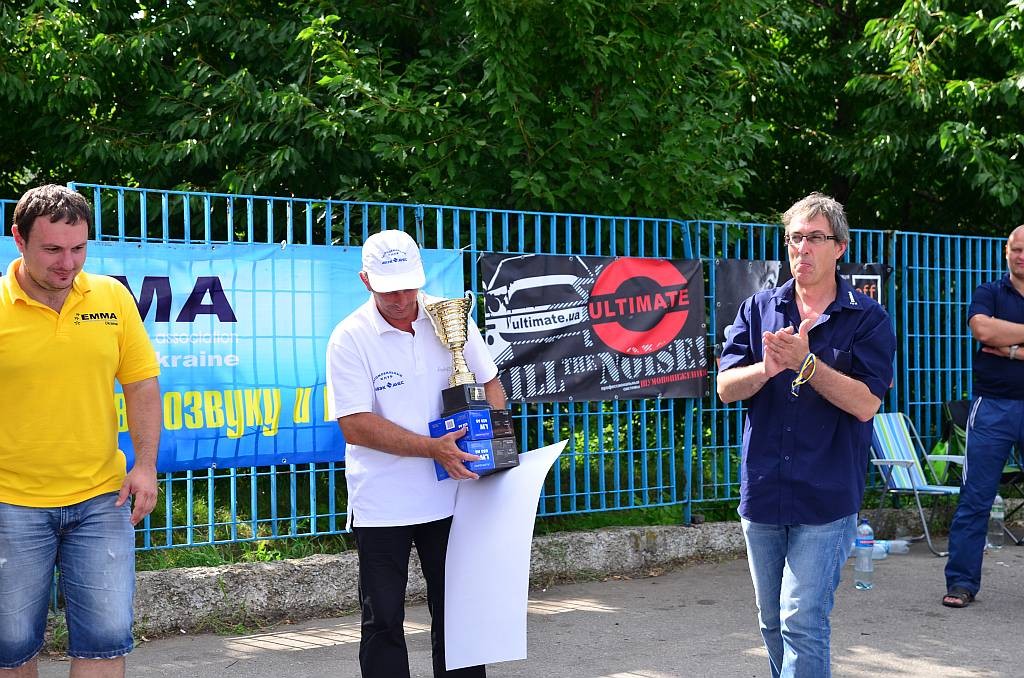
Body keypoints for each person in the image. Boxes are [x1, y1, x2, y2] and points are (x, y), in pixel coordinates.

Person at [717, 192, 896, 678]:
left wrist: (807, 364)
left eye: (815, 237)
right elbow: (726, 389)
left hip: (826, 496)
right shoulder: (759, 308)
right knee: (771, 620)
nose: (802, 248)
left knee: (801, 619)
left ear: (840, 247)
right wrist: (767, 368)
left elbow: (867, 403)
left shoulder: (867, 319)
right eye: (795, 238)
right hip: (764, 490)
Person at [325, 229, 505, 678]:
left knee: (459, 614)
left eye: (409, 286)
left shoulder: (451, 316)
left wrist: (493, 447)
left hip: (455, 495)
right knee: (383, 619)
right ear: (366, 280)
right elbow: (354, 424)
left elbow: (490, 384)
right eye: (389, 289)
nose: (402, 299)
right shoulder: (349, 337)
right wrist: (433, 449)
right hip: (383, 501)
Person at [0, 185, 161, 677]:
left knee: (106, 644)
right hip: (11, 502)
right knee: (10, 649)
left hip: (102, 500)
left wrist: (146, 466)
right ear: (19, 239)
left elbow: (141, 382)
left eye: (78, 248)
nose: (67, 263)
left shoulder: (111, 296)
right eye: (52, 249)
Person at [943, 225, 1024, 608]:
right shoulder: (989, 292)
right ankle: (961, 583)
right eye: (1016, 249)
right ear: (1006, 252)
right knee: (976, 497)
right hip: (992, 407)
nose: (1021, 256)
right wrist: (1003, 340)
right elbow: (982, 329)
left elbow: (995, 336)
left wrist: (1010, 348)